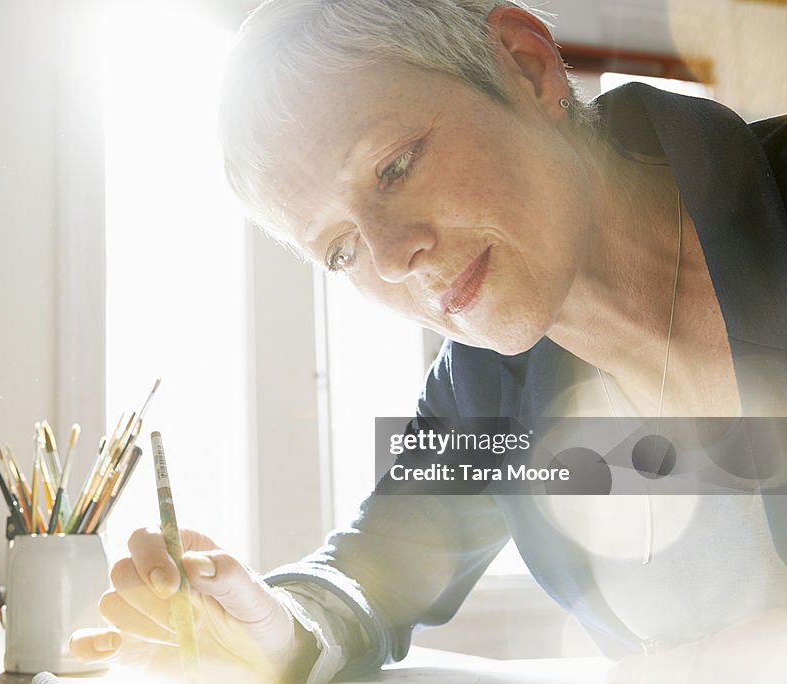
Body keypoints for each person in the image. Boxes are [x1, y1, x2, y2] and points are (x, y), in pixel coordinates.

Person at [69, 0, 787, 681]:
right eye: (341, 250)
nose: (389, 256)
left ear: (526, 65)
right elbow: (369, 571)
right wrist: (273, 627)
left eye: (394, 167)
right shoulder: (481, 394)